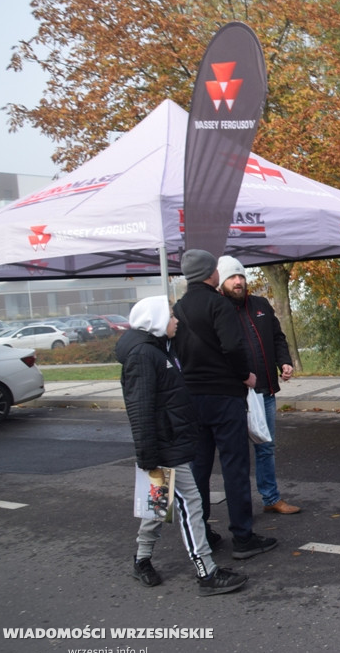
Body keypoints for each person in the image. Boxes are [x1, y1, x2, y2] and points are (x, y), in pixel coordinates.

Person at [116, 295, 247, 596]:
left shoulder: (156, 350)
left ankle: (141, 560)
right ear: (157, 320)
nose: (176, 321)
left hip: (167, 444)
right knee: (191, 504)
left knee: (157, 508)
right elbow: (141, 409)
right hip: (162, 448)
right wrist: (149, 456)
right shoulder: (143, 355)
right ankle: (206, 571)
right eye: (172, 316)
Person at [171, 249, 277, 560]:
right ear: (210, 273)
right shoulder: (218, 304)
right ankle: (243, 537)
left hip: (192, 397)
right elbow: (232, 345)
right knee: (234, 466)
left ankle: (202, 531)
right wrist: (245, 374)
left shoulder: (179, 306)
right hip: (224, 395)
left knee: (199, 467)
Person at [216, 255, 301, 515]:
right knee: (238, 452)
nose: (238, 281)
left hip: (265, 391)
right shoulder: (218, 309)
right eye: (232, 277)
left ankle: (270, 498)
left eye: (241, 276)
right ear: (221, 282)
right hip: (235, 395)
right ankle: (240, 508)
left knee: (266, 447)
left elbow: (277, 337)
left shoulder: (260, 304)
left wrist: (284, 362)